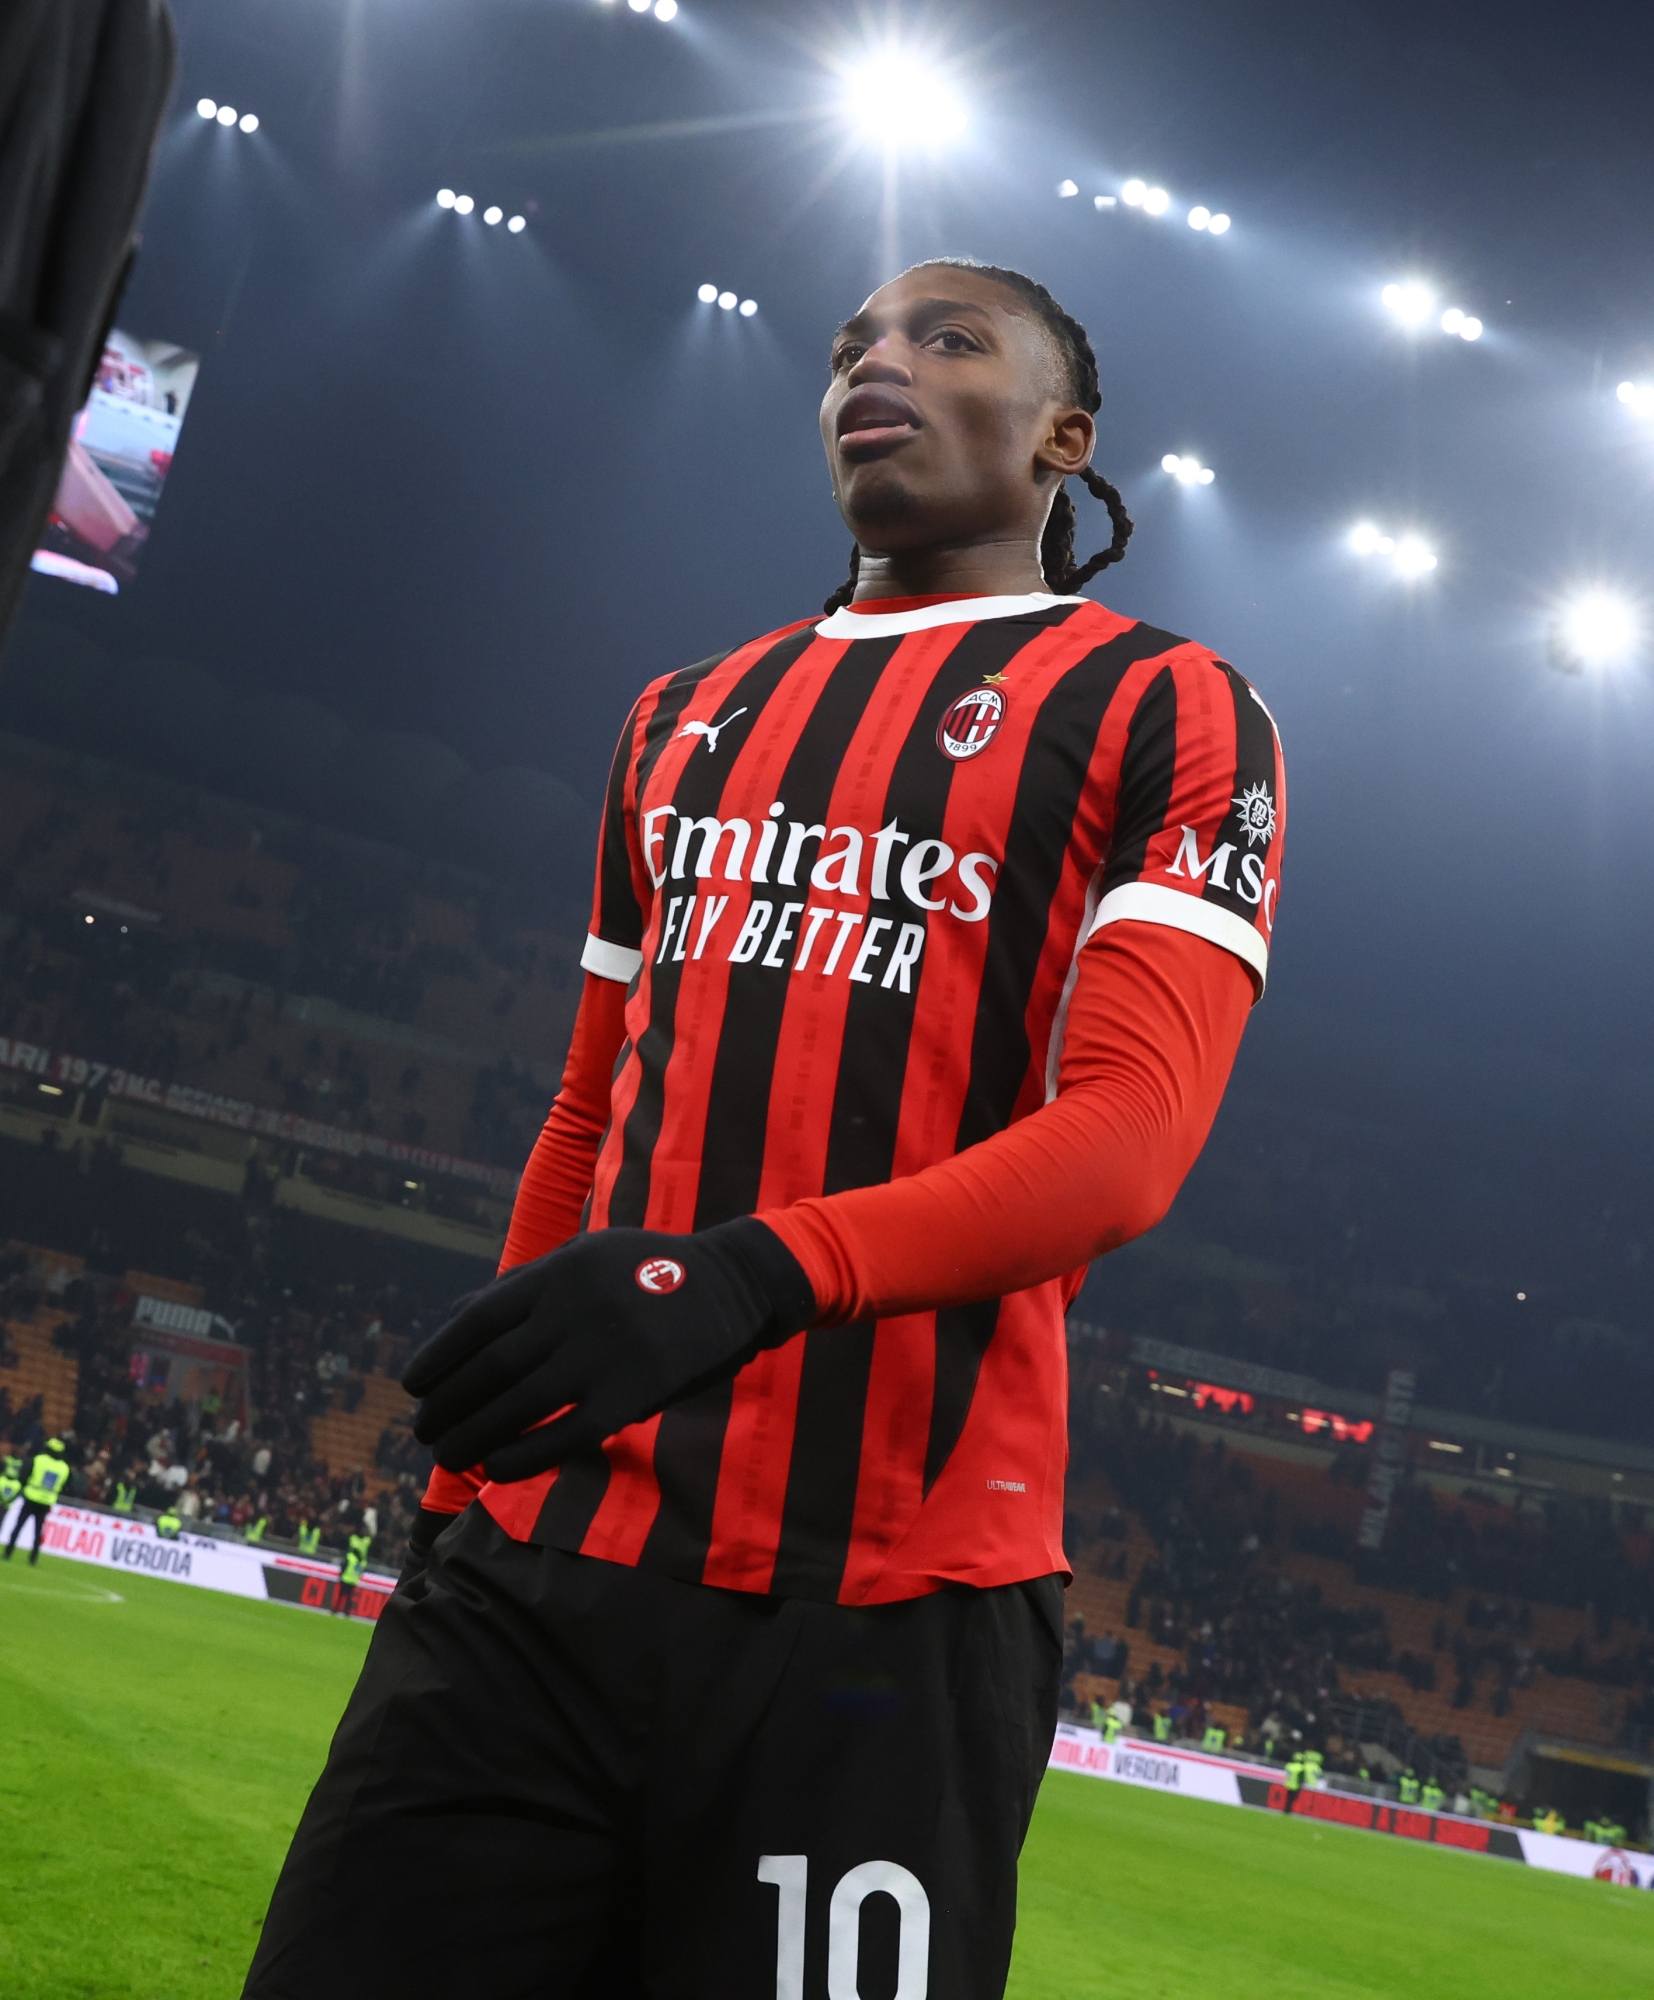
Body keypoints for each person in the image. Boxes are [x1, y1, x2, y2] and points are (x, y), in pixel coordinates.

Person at [243, 257, 1285, 2000]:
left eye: (944, 340)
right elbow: (590, 1109)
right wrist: (462, 1472)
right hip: (530, 1585)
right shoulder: (680, 715)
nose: (874, 362)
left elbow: (1127, 1135)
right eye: (848, 348)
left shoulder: (1163, 705)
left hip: (885, 1611)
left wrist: (755, 1274)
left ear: (1062, 436)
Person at [3, 1436, 70, 1565]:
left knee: (18, 1526)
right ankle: (33, 1557)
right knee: (38, 1531)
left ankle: (8, 1552)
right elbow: (65, 1485)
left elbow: (25, 1474)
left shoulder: (38, 1460)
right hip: (47, 1501)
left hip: (31, 1497)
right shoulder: (64, 1467)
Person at [334, 1530, 371, 1615]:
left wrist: (341, 1574)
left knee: (341, 1596)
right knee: (349, 1597)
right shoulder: (362, 1562)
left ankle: (336, 1610)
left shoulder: (350, 1557)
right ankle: (346, 1612)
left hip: (345, 1578)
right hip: (354, 1580)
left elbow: (344, 1566)